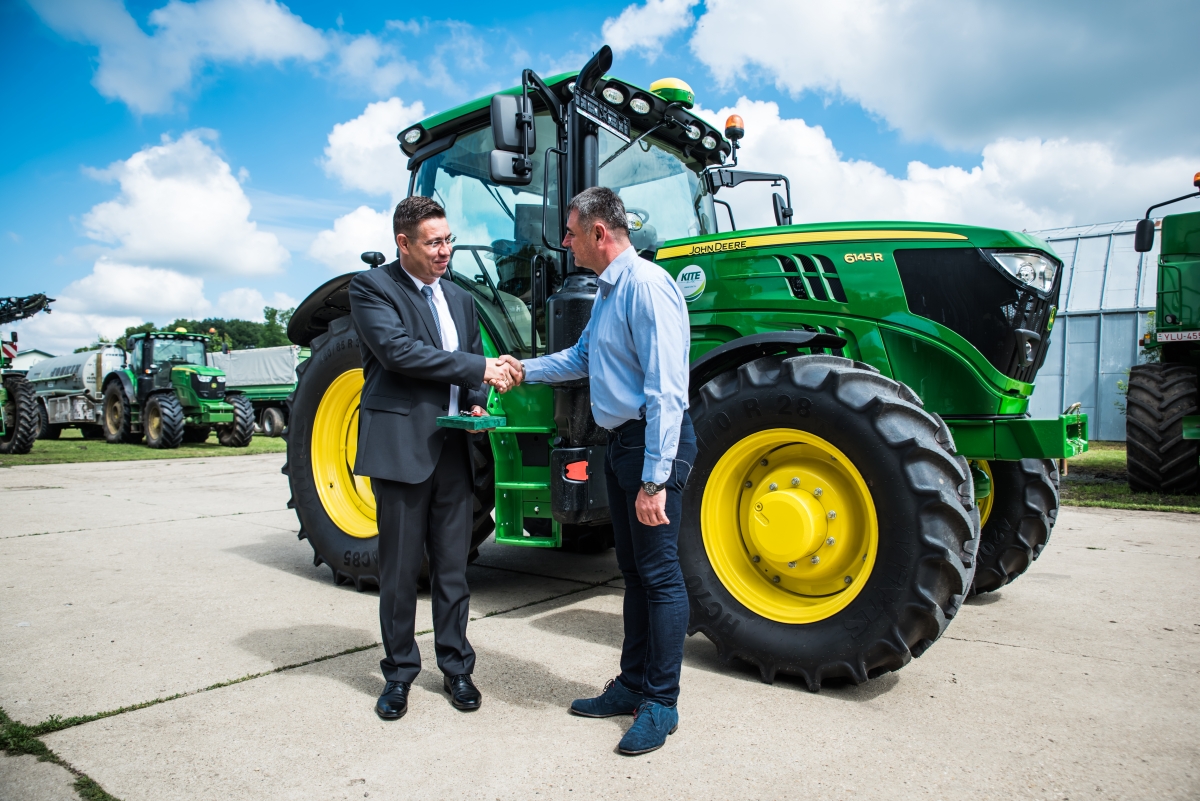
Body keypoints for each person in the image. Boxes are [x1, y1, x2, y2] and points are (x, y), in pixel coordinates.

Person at [499, 186, 695, 756]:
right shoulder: (610, 293)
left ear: (599, 234)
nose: (564, 241)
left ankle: (661, 702)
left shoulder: (646, 288)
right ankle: (631, 685)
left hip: (653, 448)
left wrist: (656, 480)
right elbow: (580, 358)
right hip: (623, 445)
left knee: (659, 576)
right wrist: (523, 369)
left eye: (571, 232)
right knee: (634, 575)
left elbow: (665, 392)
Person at [349, 196, 517, 721]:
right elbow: (398, 353)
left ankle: (457, 668)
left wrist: (474, 397)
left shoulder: (461, 300)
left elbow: (466, 368)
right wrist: (482, 365)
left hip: (453, 449)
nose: (446, 251)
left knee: (453, 569)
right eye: (434, 242)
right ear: (404, 243)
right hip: (403, 449)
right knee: (399, 572)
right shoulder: (372, 288)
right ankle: (399, 674)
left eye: (449, 239)